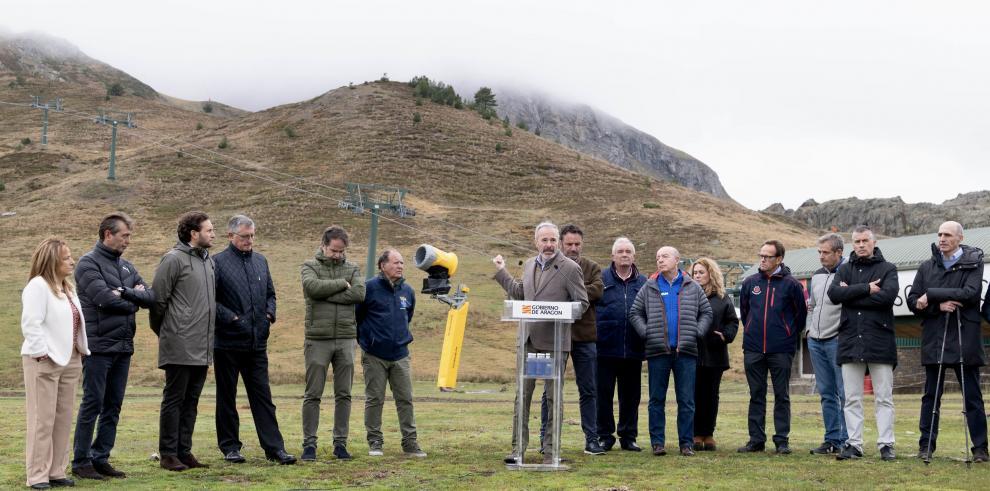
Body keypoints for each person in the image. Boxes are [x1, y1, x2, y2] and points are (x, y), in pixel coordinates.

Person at [494, 221, 589, 465]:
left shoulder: (569, 268)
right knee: (522, 397)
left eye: (552, 240)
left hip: (553, 343)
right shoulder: (528, 265)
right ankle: (518, 450)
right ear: (536, 242)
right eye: (544, 240)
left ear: (558, 242)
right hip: (527, 342)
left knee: (552, 398)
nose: (548, 245)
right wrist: (501, 271)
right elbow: (520, 295)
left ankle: (550, 451)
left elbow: (582, 303)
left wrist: (556, 311)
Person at [72, 213, 154, 480]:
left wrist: (126, 293)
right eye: (124, 236)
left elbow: (150, 296)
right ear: (108, 234)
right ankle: (82, 461)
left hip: (122, 346)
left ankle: (101, 457)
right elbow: (105, 300)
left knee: (113, 405)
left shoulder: (127, 267)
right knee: (93, 403)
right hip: (98, 347)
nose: (128, 241)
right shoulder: (87, 264)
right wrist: (133, 299)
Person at [213, 215, 295, 465]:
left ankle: (275, 448)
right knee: (226, 397)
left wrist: (269, 314)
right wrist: (233, 319)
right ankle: (230, 447)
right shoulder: (217, 263)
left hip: (257, 343)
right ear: (230, 236)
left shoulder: (261, 261)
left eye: (252, 236)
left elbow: (271, 294)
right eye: (244, 236)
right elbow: (211, 301)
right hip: (227, 343)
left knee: (263, 397)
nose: (249, 241)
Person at [907, 221, 988, 462]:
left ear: (959, 238)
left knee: (972, 396)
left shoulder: (974, 263)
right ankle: (926, 446)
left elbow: (970, 294)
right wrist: (937, 305)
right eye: (940, 234)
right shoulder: (926, 267)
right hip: (935, 336)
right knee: (930, 396)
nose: (942, 238)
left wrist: (930, 295)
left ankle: (981, 449)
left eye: (948, 235)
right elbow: (913, 301)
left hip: (965, 337)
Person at [629, 246, 712, 457]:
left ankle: (686, 444)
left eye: (664, 256)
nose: (660, 260)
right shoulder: (649, 286)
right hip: (658, 352)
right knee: (656, 400)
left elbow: (706, 312)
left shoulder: (692, 286)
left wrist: (697, 332)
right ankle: (658, 443)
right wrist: (646, 332)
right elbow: (635, 313)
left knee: (686, 400)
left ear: (677, 260)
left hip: (686, 352)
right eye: (657, 257)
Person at [21, 237, 90, 490]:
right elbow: (31, 323)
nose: (72, 261)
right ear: (52, 261)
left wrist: (80, 352)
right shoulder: (37, 286)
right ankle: (37, 475)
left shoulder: (67, 288)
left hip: (70, 358)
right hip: (44, 360)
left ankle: (56, 471)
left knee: (63, 417)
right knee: (42, 419)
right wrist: (41, 353)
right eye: (66, 258)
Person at [150, 211, 216, 472]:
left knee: (192, 401)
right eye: (209, 230)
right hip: (179, 343)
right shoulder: (173, 259)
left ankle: (184, 452)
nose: (213, 234)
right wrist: (169, 332)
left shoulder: (208, 261)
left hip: (203, 344)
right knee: (175, 399)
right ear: (193, 233)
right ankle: (168, 454)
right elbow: (157, 302)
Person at [829, 225, 898, 461]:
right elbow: (834, 295)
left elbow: (887, 298)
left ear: (873, 242)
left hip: (880, 339)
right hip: (850, 340)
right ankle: (854, 445)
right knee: (852, 397)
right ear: (852, 244)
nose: (860, 245)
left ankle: (886, 445)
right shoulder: (844, 269)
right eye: (856, 241)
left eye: (865, 240)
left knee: (883, 397)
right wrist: (867, 289)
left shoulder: (888, 269)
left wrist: (852, 296)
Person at [301, 225, 365, 461]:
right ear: (323, 246)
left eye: (341, 251)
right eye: (334, 250)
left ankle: (340, 444)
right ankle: (309, 444)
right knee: (313, 394)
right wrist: (341, 284)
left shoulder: (353, 268)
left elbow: (359, 294)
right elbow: (312, 288)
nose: (338, 255)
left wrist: (325, 294)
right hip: (317, 339)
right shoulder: (309, 266)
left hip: (346, 339)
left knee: (344, 394)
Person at [539, 224, 605, 455]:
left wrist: (568, 291)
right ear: (560, 244)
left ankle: (591, 439)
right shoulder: (548, 266)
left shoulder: (592, 267)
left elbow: (598, 291)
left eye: (577, 244)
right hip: (554, 336)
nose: (573, 248)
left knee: (589, 389)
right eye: (569, 244)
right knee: (550, 389)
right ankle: (545, 440)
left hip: (584, 338)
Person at [738, 239, 807, 455]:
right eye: (761, 255)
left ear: (779, 259)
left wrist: (785, 333)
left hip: (781, 349)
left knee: (781, 395)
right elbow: (746, 312)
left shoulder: (792, 285)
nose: (763, 260)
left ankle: (782, 440)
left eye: (767, 256)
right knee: (756, 394)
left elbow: (800, 316)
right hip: (754, 348)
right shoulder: (750, 283)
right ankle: (756, 440)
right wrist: (751, 330)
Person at [358, 249, 425, 458]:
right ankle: (375, 441)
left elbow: (408, 316)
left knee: (405, 399)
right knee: (374, 399)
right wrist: (367, 341)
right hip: (374, 355)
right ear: (382, 265)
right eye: (396, 262)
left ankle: (410, 443)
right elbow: (357, 317)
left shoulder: (408, 291)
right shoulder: (369, 288)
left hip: (401, 355)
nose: (400, 266)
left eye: (402, 263)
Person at [595, 237, 647, 452]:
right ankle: (604, 436)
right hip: (604, 348)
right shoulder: (600, 278)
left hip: (633, 349)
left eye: (628, 251)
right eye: (620, 251)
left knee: (631, 396)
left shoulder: (643, 282)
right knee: (603, 394)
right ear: (613, 255)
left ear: (634, 256)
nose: (624, 254)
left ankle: (628, 436)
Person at [805, 233, 849, 455]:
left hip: (837, 340)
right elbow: (812, 307)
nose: (821, 257)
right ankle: (831, 439)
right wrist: (809, 330)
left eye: (825, 252)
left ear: (839, 252)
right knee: (826, 393)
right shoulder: (817, 275)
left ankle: (847, 441)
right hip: (816, 341)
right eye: (819, 252)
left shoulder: (849, 272)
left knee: (844, 393)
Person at [690, 257, 738, 452]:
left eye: (701, 272)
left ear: (711, 274)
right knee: (693, 395)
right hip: (692, 353)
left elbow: (733, 322)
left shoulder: (722, 298)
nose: (698, 276)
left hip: (714, 353)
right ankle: (694, 433)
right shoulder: (687, 295)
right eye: (695, 273)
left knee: (711, 395)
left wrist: (725, 336)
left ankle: (708, 433)